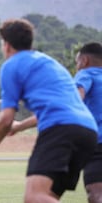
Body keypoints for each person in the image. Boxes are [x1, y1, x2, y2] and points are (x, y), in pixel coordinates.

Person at [0, 19, 98, 203]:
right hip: (88, 132)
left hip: (60, 131)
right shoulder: (51, 63)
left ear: (6, 45)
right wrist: (18, 128)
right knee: (48, 196)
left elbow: (5, 118)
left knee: (34, 196)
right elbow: (61, 109)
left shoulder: (11, 65)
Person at [74, 42, 102, 203]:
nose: (77, 67)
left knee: (96, 194)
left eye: (77, 62)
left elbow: (74, 101)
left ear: (84, 60)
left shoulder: (86, 73)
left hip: (98, 143)